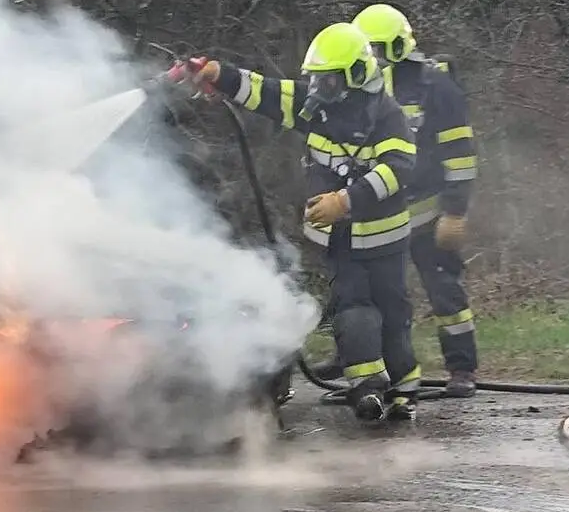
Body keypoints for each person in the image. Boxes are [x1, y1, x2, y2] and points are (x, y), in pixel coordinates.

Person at [177, 22, 421, 422]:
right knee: (353, 307)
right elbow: (268, 92)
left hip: (384, 237)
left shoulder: (387, 117)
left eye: (328, 81)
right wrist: (221, 75)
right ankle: (368, 389)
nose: (318, 89)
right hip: (342, 239)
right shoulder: (320, 105)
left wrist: (345, 200)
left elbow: (398, 168)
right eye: (317, 80)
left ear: (356, 76)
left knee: (393, 312)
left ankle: (404, 391)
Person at [351, 3, 480, 397]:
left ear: (395, 46)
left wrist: (455, 211)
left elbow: (459, 153)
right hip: (377, 213)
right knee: (365, 293)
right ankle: (363, 362)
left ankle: (461, 369)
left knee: (445, 291)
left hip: (427, 211)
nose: (371, 57)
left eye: (377, 48)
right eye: (364, 49)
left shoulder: (434, 87)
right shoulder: (357, 86)